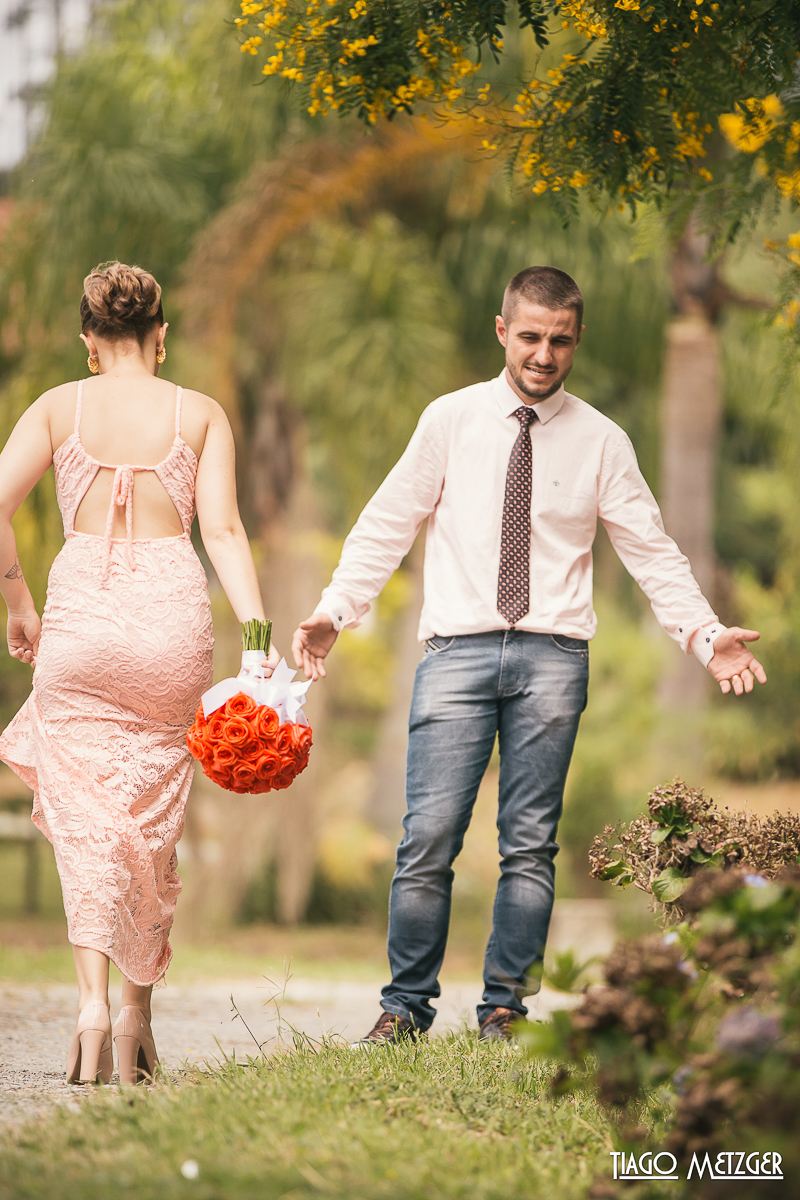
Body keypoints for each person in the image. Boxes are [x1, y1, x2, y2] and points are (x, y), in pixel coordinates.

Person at [292, 265, 767, 1044]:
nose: (545, 355)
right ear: (502, 332)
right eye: (531, 337)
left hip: (553, 658)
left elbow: (652, 552)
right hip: (456, 653)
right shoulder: (448, 421)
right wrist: (334, 611)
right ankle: (404, 1009)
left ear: (575, 340)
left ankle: (505, 1009)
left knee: (529, 844)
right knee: (429, 837)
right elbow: (386, 523)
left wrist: (705, 633)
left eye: (561, 341)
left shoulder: (602, 440)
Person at [0, 261, 276, 1083]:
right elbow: (222, 531)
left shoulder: (58, 407)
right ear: (161, 338)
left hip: (80, 629)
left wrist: (17, 601)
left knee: (88, 826)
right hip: (171, 632)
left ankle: (88, 1007)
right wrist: (256, 639)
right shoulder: (200, 413)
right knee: (152, 825)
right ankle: (136, 1018)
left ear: (90, 343)